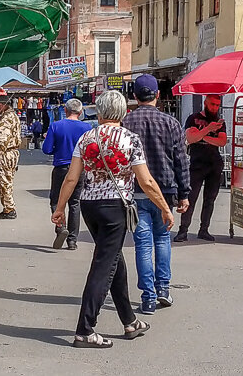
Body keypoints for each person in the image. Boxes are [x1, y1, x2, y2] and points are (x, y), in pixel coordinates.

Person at [52, 89, 170, 349]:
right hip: (115, 208)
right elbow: (146, 180)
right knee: (103, 266)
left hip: (89, 206)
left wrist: (60, 207)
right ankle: (85, 328)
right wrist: (164, 207)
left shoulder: (86, 138)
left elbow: (71, 178)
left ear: (100, 111)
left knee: (113, 258)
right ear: (123, 112)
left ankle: (129, 321)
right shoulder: (130, 139)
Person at [122, 74, 189, 315]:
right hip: (166, 191)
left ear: (134, 96)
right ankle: (163, 289)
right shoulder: (171, 123)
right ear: (158, 95)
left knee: (142, 244)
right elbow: (181, 161)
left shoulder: (126, 123)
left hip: (137, 190)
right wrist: (184, 193)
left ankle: (147, 297)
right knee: (162, 240)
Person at [177, 94, 228, 242]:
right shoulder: (193, 118)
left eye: (217, 105)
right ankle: (183, 230)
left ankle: (204, 229)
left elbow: (222, 141)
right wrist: (208, 129)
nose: (215, 108)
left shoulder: (219, 122)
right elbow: (190, 138)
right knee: (190, 198)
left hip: (214, 163)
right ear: (205, 102)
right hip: (197, 163)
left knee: (210, 199)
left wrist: (202, 136)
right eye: (212, 104)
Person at [43, 99, 92, 250]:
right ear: (81, 112)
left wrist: (57, 148)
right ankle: (72, 240)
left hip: (61, 167)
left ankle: (60, 226)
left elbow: (47, 149)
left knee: (56, 200)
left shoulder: (56, 126)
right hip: (80, 168)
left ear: (65, 110)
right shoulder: (87, 127)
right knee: (75, 203)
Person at [0, 95, 23, 219]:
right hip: (13, 152)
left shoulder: (6, 118)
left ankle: (9, 209)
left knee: (4, 182)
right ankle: (8, 207)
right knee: (8, 180)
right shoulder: (14, 116)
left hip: (6, 153)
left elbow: (2, 140)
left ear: (1, 104)